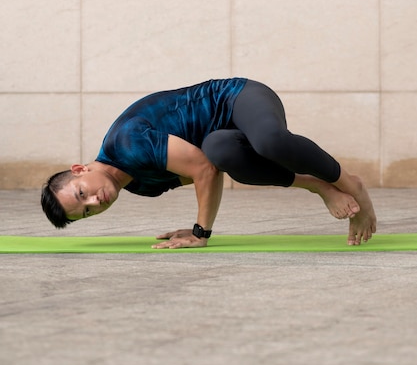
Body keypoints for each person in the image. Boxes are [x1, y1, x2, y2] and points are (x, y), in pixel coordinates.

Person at [41, 78, 377, 248]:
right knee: (223, 152)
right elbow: (208, 167)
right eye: (87, 210)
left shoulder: (126, 144)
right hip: (222, 136)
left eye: (82, 193)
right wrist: (195, 225)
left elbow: (201, 171)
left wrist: (201, 233)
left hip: (237, 98)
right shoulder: (141, 186)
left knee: (269, 141)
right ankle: (320, 186)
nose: (95, 202)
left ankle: (351, 186)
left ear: (79, 170)